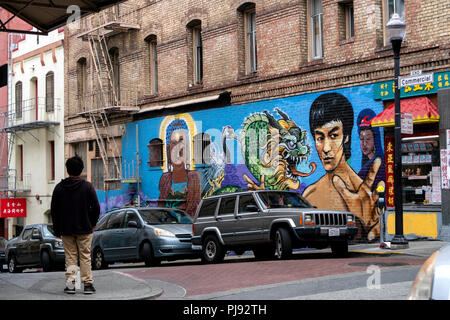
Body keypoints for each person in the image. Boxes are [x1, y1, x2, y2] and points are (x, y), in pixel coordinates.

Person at [302, 92, 383, 241]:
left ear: (346, 137)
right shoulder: (310, 196)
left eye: (333, 136)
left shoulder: (367, 194)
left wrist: (375, 227)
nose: (326, 148)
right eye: (320, 138)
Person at [50, 155, 100, 294]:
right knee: (85, 256)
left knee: (70, 257)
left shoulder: (59, 188)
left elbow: (54, 210)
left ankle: (72, 285)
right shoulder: (87, 187)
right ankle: (88, 285)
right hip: (85, 228)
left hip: (66, 229)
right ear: (81, 170)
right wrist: (93, 223)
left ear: (67, 170)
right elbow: (96, 207)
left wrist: (57, 229)